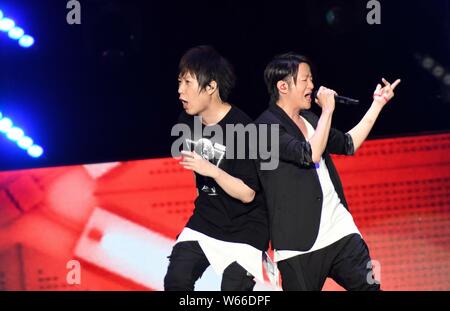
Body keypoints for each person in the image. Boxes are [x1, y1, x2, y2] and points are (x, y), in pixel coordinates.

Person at [255, 52, 400, 291]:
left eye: (311, 79)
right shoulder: (265, 128)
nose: (312, 86)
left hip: (340, 231)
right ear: (283, 86)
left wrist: (378, 103)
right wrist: (328, 112)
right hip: (299, 245)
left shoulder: (311, 119)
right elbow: (308, 154)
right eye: (305, 80)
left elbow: (348, 144)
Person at [164, 45, 269, 291]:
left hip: (247, 228)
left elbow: (248, 194)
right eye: (179, 82)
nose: (180, 91)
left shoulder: (244, 129)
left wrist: (211, 170)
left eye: (188, 83)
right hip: (207, 220)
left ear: (211, 87)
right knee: (176, 281)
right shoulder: (186, 122)